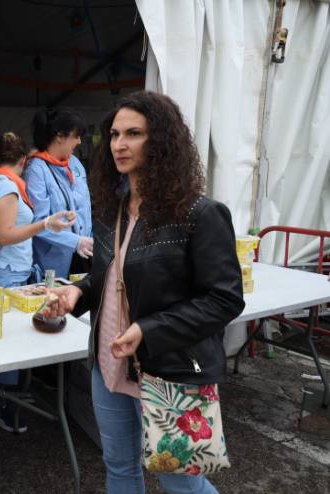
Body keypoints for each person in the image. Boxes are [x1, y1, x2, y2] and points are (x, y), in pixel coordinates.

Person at [46, 91, 245, 494]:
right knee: (119, 467)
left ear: (162, 141)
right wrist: (77, 294)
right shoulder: (114, 210)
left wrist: (148, 330)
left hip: (169, 367)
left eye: (134, 133)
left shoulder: (199, 214)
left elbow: (224, 299)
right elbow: (108, 277)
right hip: (108, 362)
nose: (119, 144)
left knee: (181, 482)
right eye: (114, 134)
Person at [0, 132, 74, 432]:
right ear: (23, 160)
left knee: (7, 338)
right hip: (7, 271)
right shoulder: (8, 188)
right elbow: (7, 235)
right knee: (10, 342)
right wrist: (44, 224)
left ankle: (8, 397)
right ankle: (2, 404)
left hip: (6, 269)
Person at [26, 109, 93, 280]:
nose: (79, 141)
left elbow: (85, 207)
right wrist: (75, 241)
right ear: (60, 136)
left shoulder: (75, 163)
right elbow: (38, 224)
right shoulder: (37, 169)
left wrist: (88, 239)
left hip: (85, 253)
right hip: (54, 260)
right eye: (76, 135)